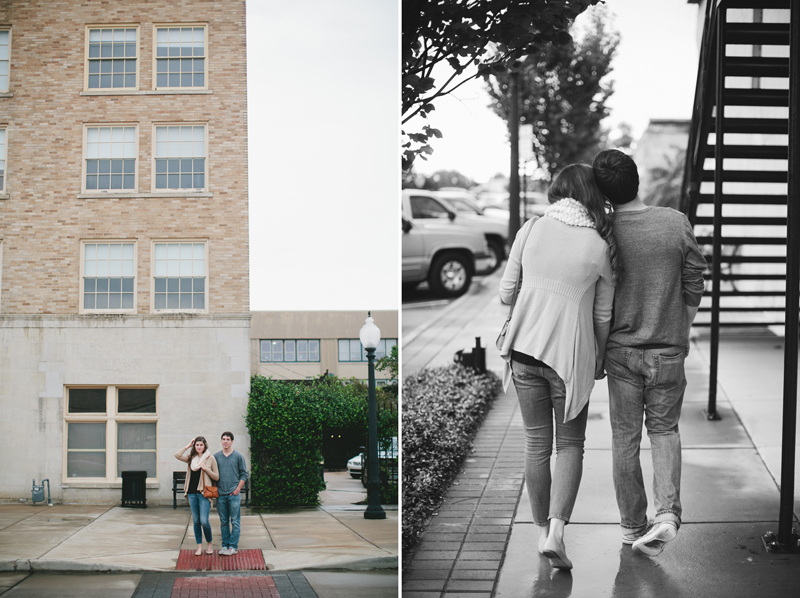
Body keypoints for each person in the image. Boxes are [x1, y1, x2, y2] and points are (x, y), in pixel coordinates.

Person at [499, 163, 619, 570]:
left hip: (524, 353)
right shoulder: (600, 245)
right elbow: (603, 316)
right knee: (570, 445)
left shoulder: (530, 230)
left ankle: (538, 533)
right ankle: (556, 532)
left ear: (558, 192)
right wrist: (599, 358)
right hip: (570, 360)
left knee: (536, 443)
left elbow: (505, 292)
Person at [592, 149, 706, 557]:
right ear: (638, 179)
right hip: (668, 351)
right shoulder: (674, 223)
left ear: (604, 192)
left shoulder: (602, 231)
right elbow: (695, 278)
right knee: (664, 431)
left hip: (621, 351)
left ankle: (631, 526)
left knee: (625, 439)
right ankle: (668, 515)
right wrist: (683, 323)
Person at [175, 436, 219, 556]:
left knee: (204, 521)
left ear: (205, 446)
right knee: (196, 521)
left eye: (201, 445)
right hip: (191, 493)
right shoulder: (191, 459)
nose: (199, 447)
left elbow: (216, 477)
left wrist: (206, 469)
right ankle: (199, 546)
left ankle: (209, 543)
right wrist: (188, 445)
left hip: (203, 493)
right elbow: (177, 455)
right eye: (197, 445)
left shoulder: (211, 459)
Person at [214, 431, 249, 556]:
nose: (225, 441)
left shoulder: (238, 456)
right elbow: (212, 474)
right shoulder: (216, 456)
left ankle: (233, 546)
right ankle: (225, 546)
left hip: (233, 495)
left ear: (232, 441)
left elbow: (244, 474)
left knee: (235, 521)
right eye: (223, 439)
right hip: (221, 495)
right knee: (223, 521)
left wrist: (238, 489)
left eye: (228, 439)